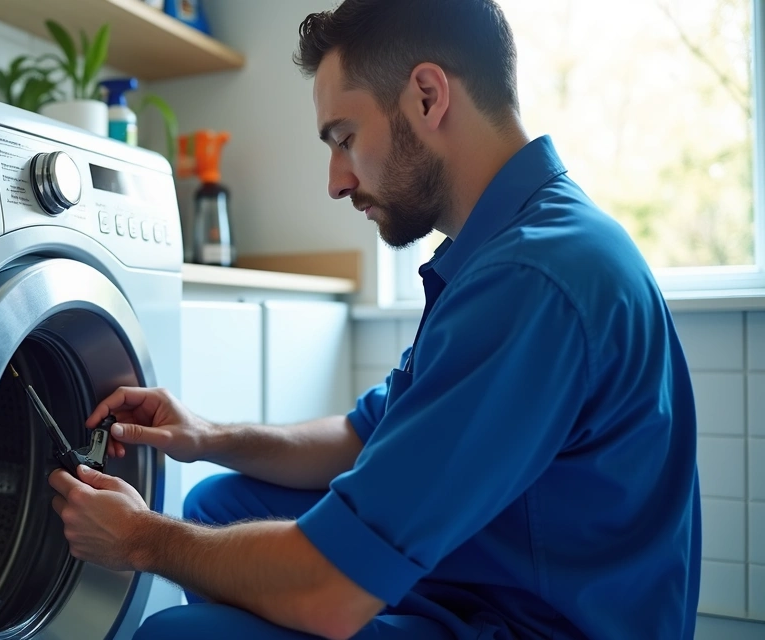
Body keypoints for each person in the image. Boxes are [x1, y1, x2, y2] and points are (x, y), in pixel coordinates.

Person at [47, 1, 701, 637]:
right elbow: (364, 436)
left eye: (345, 139)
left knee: (177, 634)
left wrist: (140, 539)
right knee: (220, 505)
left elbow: (329, 594)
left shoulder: (532, 281)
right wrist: (209, 434)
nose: (336, 181)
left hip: (533, 620)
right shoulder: (513, 245)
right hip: (502, 578)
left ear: (427, 97)